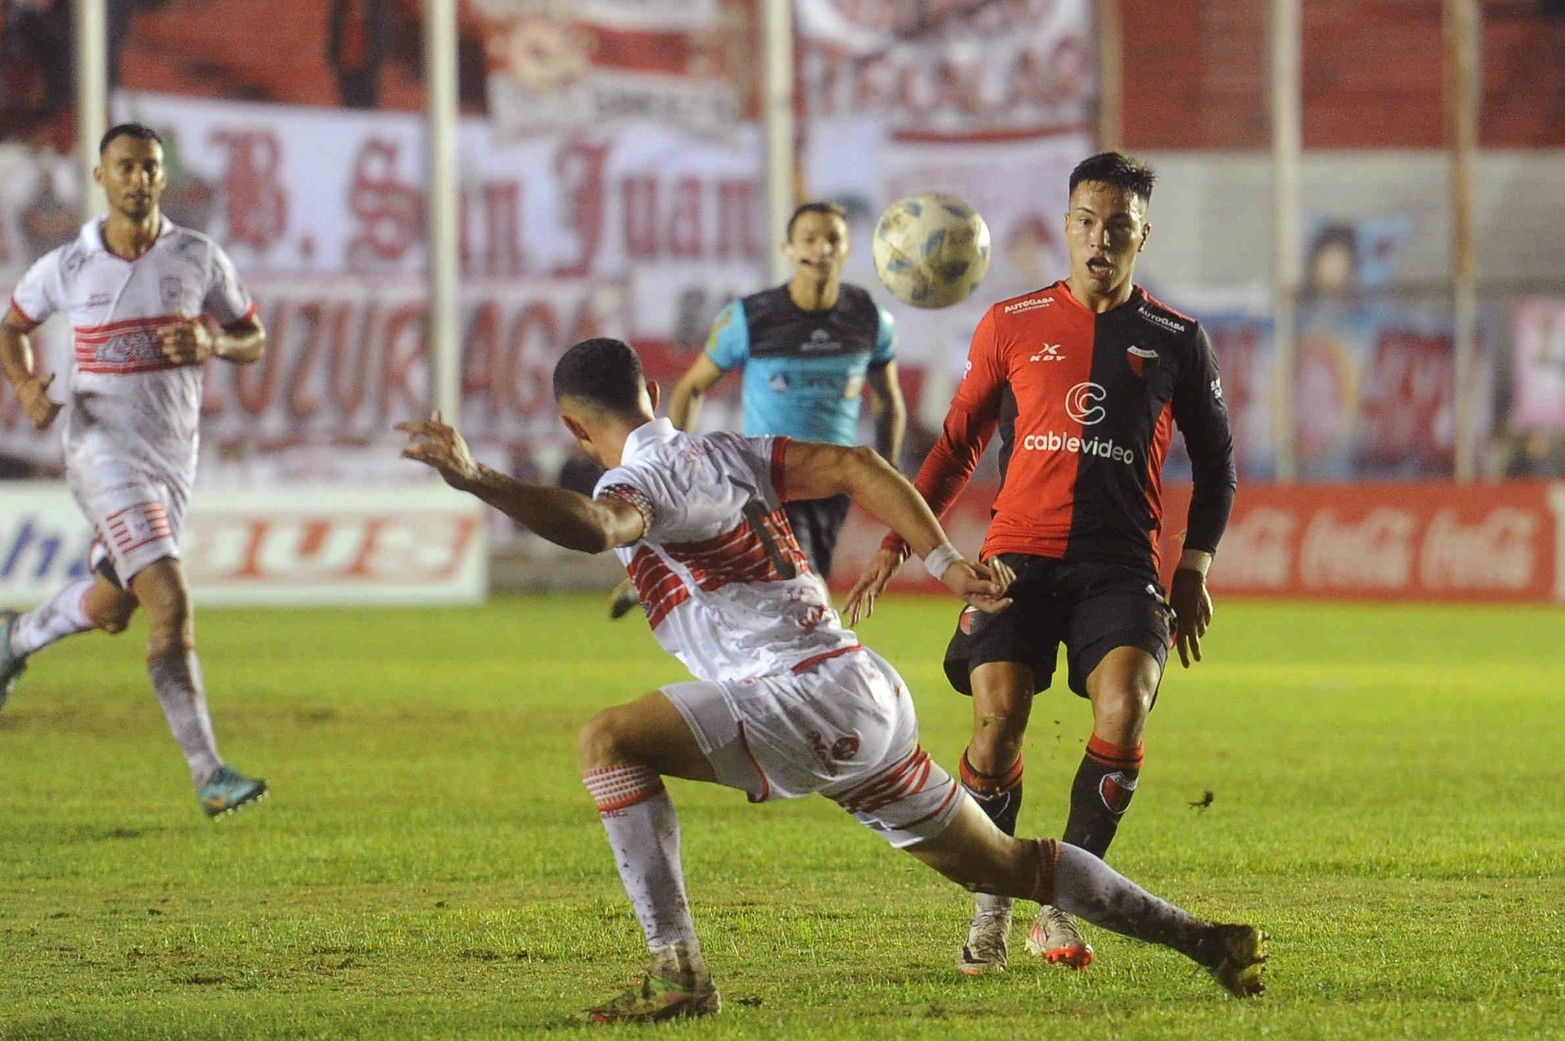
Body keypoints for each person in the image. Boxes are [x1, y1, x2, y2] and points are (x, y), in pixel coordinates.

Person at [397, 336, 1265, 1023]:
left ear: (572, 426)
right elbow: (854, 465)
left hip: (799, 692)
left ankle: (679, 973)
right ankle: (1200, 937)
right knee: (994, 863)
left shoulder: (642, 476)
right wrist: (944, 557)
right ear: (652, 396)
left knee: (607, 740)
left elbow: (598, 523)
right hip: (860, 689)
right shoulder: (728, 451)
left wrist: (473, 476)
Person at [847, 152, 1238, 977]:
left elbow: (1218, 464)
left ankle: (1061, 900)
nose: (1101, 239)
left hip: (1118, 562)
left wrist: (1193, 568)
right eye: (1087, 222)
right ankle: (994, 896)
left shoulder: (1175, 338)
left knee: (1125, 708)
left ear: (1142, 235)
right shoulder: (1010, 322)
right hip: (1015, 559)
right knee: (997, 721)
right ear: (1066, 226)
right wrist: (896, 541)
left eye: (1119, 227)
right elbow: (954, 447)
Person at [0, 122, 269, 819]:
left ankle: (17, 638)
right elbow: (12, 326)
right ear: (101, 176)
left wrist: (212, 339)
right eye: (125, 167)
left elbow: (252, 336)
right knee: (170, 602)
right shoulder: (69, 263)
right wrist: (25, 386)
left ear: (161, 177)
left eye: (150, 167)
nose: (139, 178)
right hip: (101, 452)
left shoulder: (196, 256)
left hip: (173, 459)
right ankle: (210, 772)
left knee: (113, 606)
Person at [607, 200, 905, 619]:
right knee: (800, 581)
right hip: (764, 468)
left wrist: (886, 469)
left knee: (767, 575)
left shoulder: (870, 319)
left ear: (846, 249)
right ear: (789, 249)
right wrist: (675, 455)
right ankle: (824, 656)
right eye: (810, 239)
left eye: (832, 239)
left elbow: (888, 399)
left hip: (829, 475)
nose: (821, 248)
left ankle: (667, 574)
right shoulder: (751, 318)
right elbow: (692, 387)